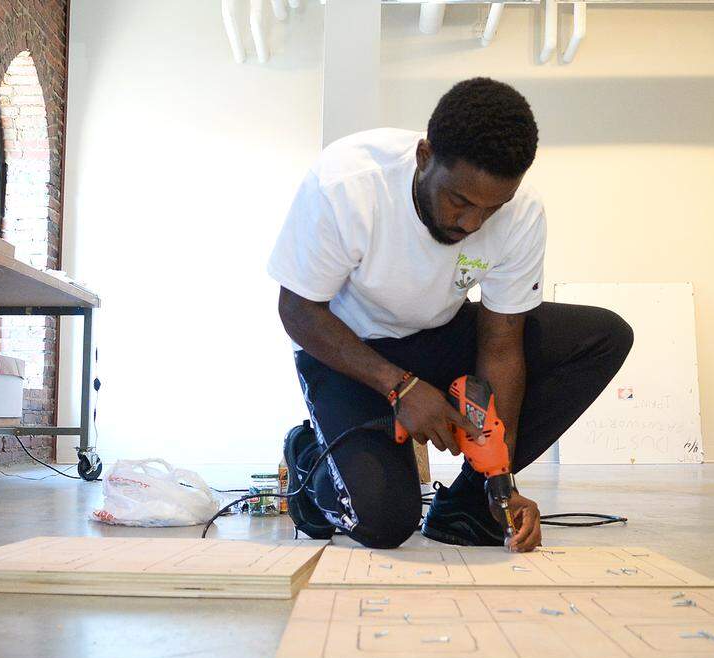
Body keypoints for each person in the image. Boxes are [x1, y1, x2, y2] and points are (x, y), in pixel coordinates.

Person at [268, 77, 632, 553]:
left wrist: (500, 482)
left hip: (438, 335)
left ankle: (468, 504)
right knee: (383, 524)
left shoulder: (521, 214)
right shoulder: (348, 183)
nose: (471, 224)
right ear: (424, 156)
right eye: (459, 201)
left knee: (602, 335)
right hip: (347, 349)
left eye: (491, 209)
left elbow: (502, 346)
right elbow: (297, 310)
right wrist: (400, 385)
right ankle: (312, 457)